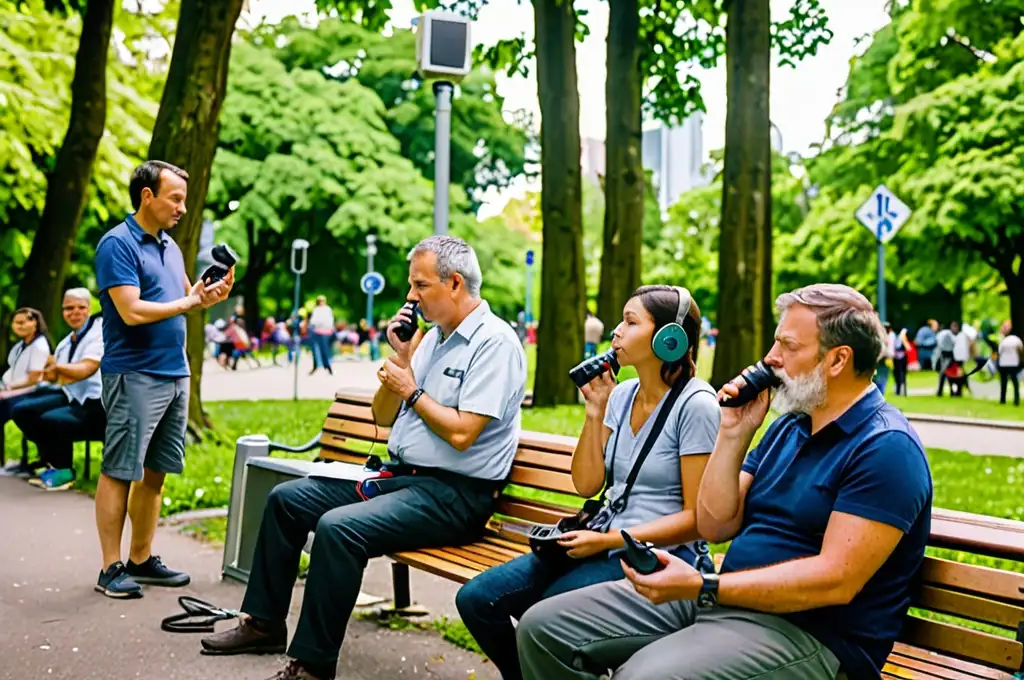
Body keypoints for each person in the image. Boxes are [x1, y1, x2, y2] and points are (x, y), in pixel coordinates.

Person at [516, 283, 932, 680]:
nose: (770, 358)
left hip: (809, 634)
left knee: (641, 676)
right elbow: (715, 525)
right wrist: (733, 433)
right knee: (542, 629)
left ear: (838, 360)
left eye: (788, 346)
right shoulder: (790, 428)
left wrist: (706, 585)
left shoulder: (885, 448)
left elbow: (835, 579)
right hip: (723, 601)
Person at [200, 235, 527, 680]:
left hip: (455, 495)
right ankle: (264, 623)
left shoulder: (496, 343)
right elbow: (382, 416)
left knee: (340, 529)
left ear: (454, 284)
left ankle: (312, 666)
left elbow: (463, 433)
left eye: (420, 285)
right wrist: (403, 357)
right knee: (286, 500)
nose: (410, 296)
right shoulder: (431, 341)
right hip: (402, 479)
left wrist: (412, 389)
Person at [455, 285, 720, 680]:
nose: (615, 331)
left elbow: (697, 519)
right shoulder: (622, 394)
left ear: (670, 338)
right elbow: (586, 483)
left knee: (542, 615)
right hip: (599, 541)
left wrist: (610, 540)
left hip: (655, 557)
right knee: (477, 600)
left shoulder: (696, 405)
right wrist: (595, 413)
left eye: (630, 322)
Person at [92, 160, 233, 599]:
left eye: (184, 199)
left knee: (155, 473)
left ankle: (141, 558)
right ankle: (110, 568)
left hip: (174, 372)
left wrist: (207, 297)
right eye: (175, 198)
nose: (183, 208)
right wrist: (187, 304)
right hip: (134, 373)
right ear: (147, 196)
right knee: (119, 470)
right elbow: (132, 311)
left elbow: (184, 298)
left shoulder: (170, 246)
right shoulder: (117, 244)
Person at [10, 288, 106, 491]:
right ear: (63, 312)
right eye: (69, 308)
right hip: (71, 395)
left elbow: (86, 369)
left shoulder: (98, 335)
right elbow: (57, 376)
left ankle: (64, 471)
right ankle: (49, 461)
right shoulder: (66, 342)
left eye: (80, 308)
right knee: (23, 410)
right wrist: (47, 370)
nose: (74, 312)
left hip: (96, 405)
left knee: (51, 419)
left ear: (89, 309)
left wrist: (56, 368)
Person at [0, 307, 52, 473]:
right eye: (16, 323)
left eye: (23, 322)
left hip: (32, 392)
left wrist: (8, 389)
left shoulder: (39, 346)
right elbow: (12, 370)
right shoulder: (20, 346)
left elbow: (32, 378)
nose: (19, 326)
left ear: (35, 323)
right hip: (13, 390)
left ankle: (31, 460)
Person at [308, 295, 334, 375]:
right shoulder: (318, 309)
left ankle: (327, 366)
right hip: (319, 331)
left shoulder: (326, 309)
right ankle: (318, 365)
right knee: (317, 349)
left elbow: (315, 321)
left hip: (323, 331)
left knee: (324, 349)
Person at [998, 321, 1022, 406]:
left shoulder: (1003, 340)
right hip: (1013, 363)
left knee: (1004, 382)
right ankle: (1016, 400)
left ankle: (1002, 399)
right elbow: (1021, 350)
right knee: (1014, 382)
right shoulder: (1016, 339)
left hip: (1004, 363)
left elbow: (999, 351)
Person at [935, 322, 957, 396]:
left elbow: (937, 342)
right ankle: (949, 391)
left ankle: (941, 391)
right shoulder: (949, 334)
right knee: (947, 373)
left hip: (943, 354)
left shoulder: (941, 334)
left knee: (944, 373)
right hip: (948, 354)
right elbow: (955, 342)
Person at [893, 328, 910, 396]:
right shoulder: (898, 339)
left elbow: (908, 348)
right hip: (898, 359)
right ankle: (898, 391)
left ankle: (903, 391)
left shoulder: (903, 340)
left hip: (902, 359)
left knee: (902, 376)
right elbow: (898, 347)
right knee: (898, 375)